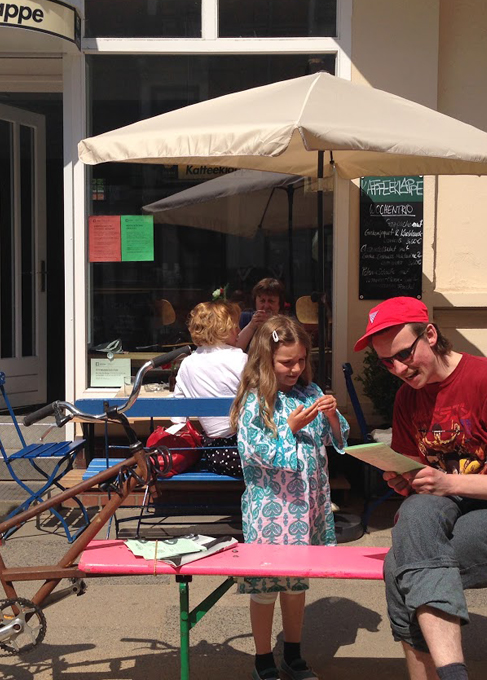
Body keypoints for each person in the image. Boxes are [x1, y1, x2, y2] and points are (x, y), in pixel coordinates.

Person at [354, 297, 487, 680]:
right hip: (449, 513)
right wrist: (405, 478)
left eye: (404, 354)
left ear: (430, 334)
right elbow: (423, 484)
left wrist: (448, 481)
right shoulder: (407, 397)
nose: (398, 369)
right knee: (415, 513)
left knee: (401, 566)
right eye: (386, 363)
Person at [229, 315, 349, 680]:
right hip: (270, 510)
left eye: (300, 360)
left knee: (296, 583)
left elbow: (335, 439)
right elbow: (254, 452)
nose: (295, 368)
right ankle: (263, 658)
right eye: (286, 362)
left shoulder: (309, 392)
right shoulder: (255, 401)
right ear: (265, 360)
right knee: (266, 585)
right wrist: (289, 429)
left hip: (305, 507)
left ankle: (293, 655)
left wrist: (332, 416)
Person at [171, 299, 247, 477]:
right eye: (235, 326)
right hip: (247, 452)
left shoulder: (187, 364)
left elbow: (177, 417)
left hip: (215, 454)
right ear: (222, 329)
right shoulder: (241, 359)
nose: (239, 331)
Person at [235, 277, 286, 350]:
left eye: (271, 301)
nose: (266, 306)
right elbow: (235, 349)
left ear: (279, 304)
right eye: (262, 301)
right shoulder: (244, 318)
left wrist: (271, 325)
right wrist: (251, 327)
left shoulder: (286, 323)